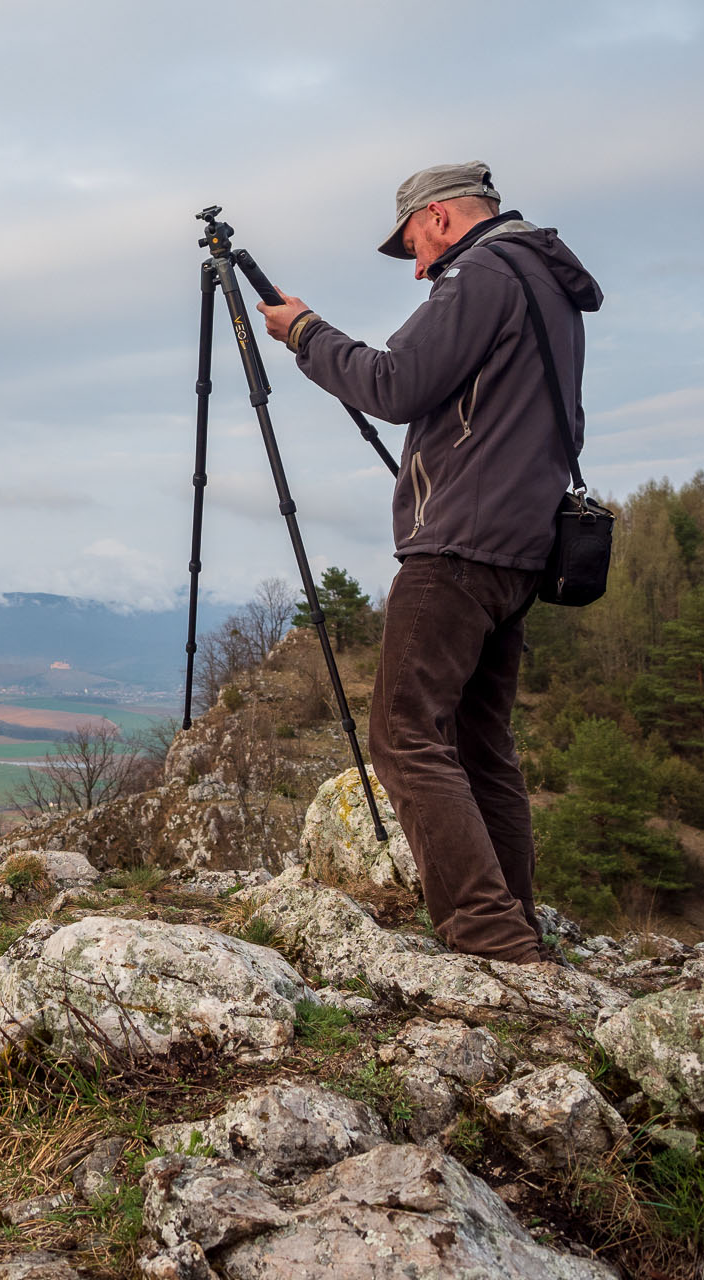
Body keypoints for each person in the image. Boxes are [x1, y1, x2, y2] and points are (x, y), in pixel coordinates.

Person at [254, 162, 603, 964]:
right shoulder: (545, 284)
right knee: (481, 745)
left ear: (441, 218)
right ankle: (511, 921)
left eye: (414, 245)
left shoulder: (482, 273)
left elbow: (395, 383)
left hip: (458, 545)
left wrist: (305, 332)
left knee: (404, 734)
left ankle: (485, 932)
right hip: (522, 546)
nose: (418, 267)